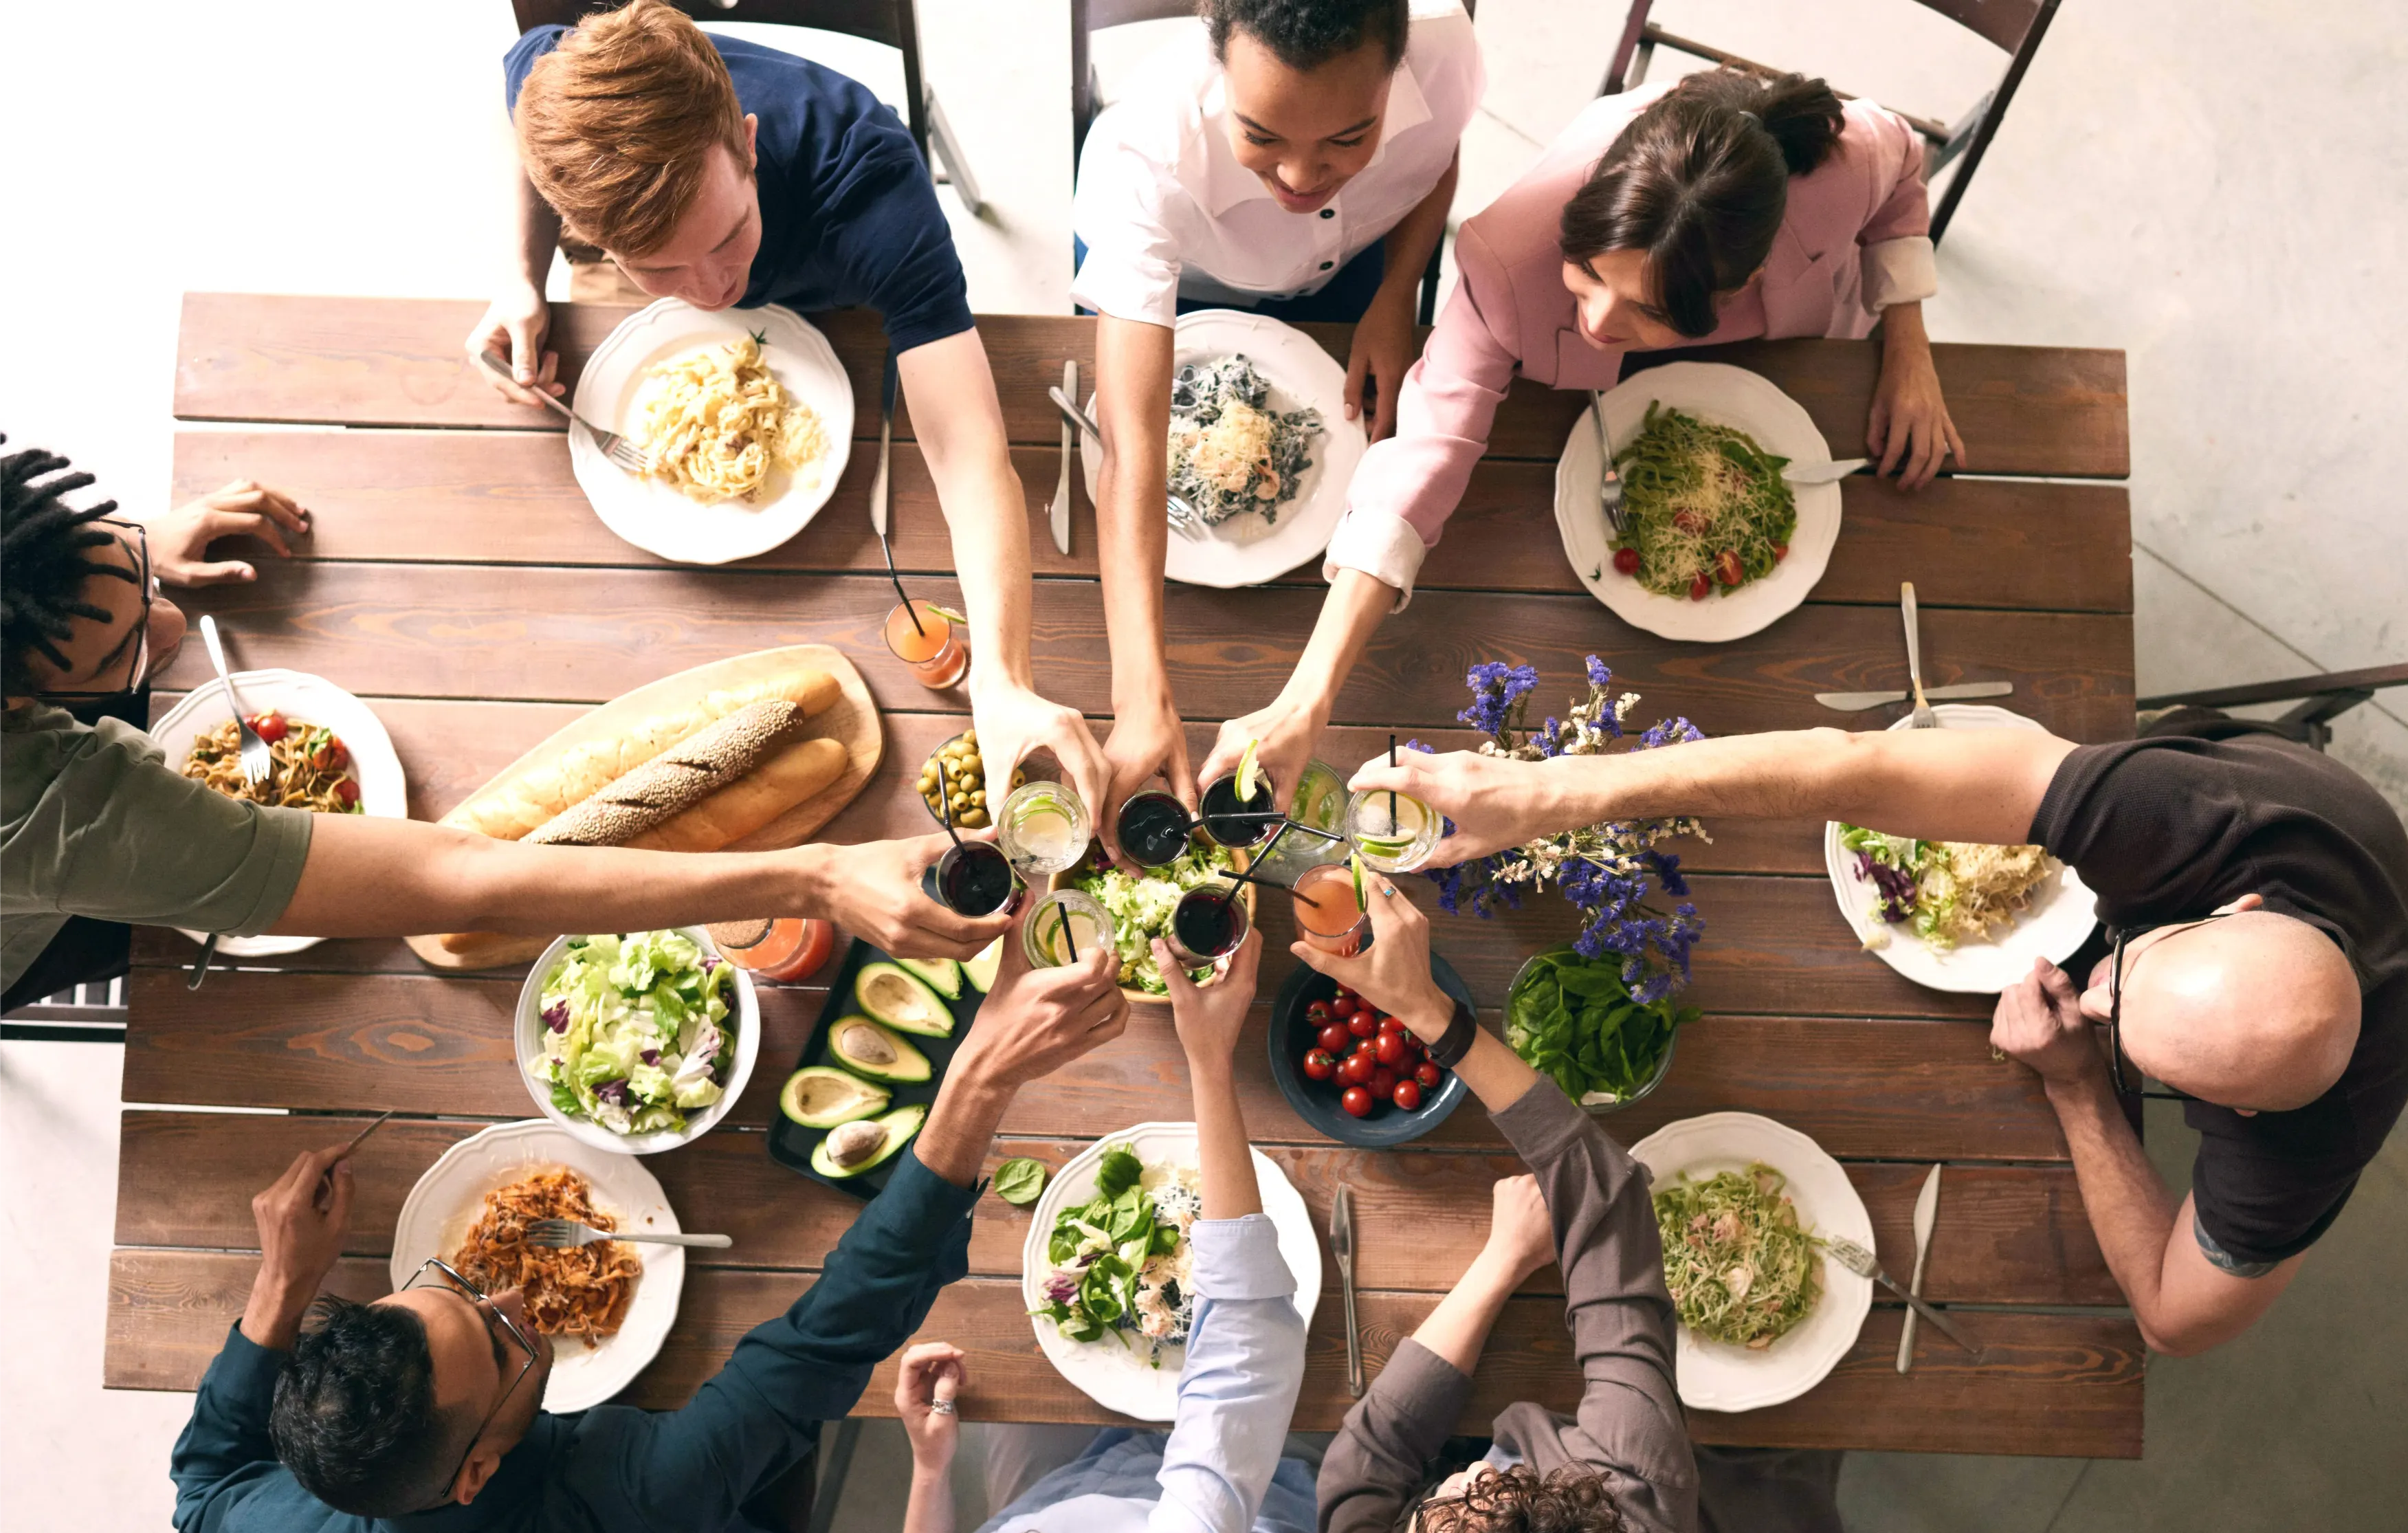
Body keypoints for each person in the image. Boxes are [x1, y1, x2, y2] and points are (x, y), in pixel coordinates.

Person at [1357, 709, 2408, 1355]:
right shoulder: (2204, 821)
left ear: (2242, 1114)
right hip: (2276, 804)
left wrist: (2075, 1086)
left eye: (2125, 1031)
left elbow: (2172, 1316)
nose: (2091, 986)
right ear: (2234, 908)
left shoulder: (2314, 1142)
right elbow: (1855, 765)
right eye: (2133, 970)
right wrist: (1556, 789)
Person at [168, 927, 1129, 1533]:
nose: (513, 1302)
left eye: (457, 1289)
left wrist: (282, 1285)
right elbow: (834, 1331)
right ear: (473, 1474)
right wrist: (979, 1076)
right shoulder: (630, 1502)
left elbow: (202, 1494)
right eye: (502, 1346)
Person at [0, 437, 1009, 1015]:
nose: (178, 626)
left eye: (130, 567)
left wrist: (121, 563)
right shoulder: (63, 812)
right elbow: (457, 876)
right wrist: (819, 874)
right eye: (125, 655)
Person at [1200, 66, 1960, 814]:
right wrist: (1307, 695)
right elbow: (1425, 448)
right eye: (1589, 272)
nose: (1596, 322)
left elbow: (1903, 170)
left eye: (1646, 310)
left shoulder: (1843, 168)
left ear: (1742, 282)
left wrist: (1908, 343)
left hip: (1796, 371)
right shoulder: (1507, 256)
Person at [470, 0, 1107, 832]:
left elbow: (967, 448)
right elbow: (519, 78)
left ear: (748, 141)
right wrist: (520, 274)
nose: (711, 293)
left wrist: (1002, 678)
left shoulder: (869, 186)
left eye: (729, 235)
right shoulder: (559, 82)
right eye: (659, 270)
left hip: (844, 304)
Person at [1310, 884, 1843, 1533]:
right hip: (1752, 1526)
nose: (1455, 1480)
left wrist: (1498, 1265)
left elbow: (1360, 1468)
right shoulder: (1637, 1512)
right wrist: (1436, 1016)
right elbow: (1609, 1201)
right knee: (1794, 1474)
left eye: (1430, 1520)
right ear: (1573, 1522)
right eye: (1487, 1492)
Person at [1073, 0, 1480, 828]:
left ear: (1398, 68)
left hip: (1360, 265)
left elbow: (1439, 161)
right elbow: (1134, 453)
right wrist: (1140, 697)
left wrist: (1398, 292)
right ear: (1216, 49)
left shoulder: (1446, 53)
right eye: (1262, 137)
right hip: (1188, 280)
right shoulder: (1143, 152)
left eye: (1347, 139)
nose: (1300, 178)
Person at [867, 930, 1323, 1533]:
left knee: (1017, 1369)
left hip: (1076, 1495)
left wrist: (930, 1467)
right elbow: (1242, 1368)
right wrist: (1208, 1057)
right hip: (1265, 1523)